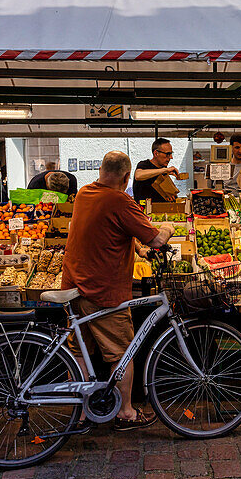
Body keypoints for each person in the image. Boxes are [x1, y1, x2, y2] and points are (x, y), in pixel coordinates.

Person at [61, 151, 175, 430]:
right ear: (126, 178)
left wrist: (138, 249)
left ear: (101, 170)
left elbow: (108, 228)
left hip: (74, 285)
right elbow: (158, 238)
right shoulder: (120, 199)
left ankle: (83, 413)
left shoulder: (85, 193)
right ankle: (125, 412)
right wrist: (169, 228)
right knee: (122, 353)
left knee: (79, 352)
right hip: (103, 291)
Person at [133, 138, 181, 202]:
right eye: (167, 154)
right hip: (144, 210)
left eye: (171, 153)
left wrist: (171, 195)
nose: (171, 157)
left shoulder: (163, 170)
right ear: (156, 153)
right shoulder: (144, 164)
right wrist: (164, 170)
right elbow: (138, 175)